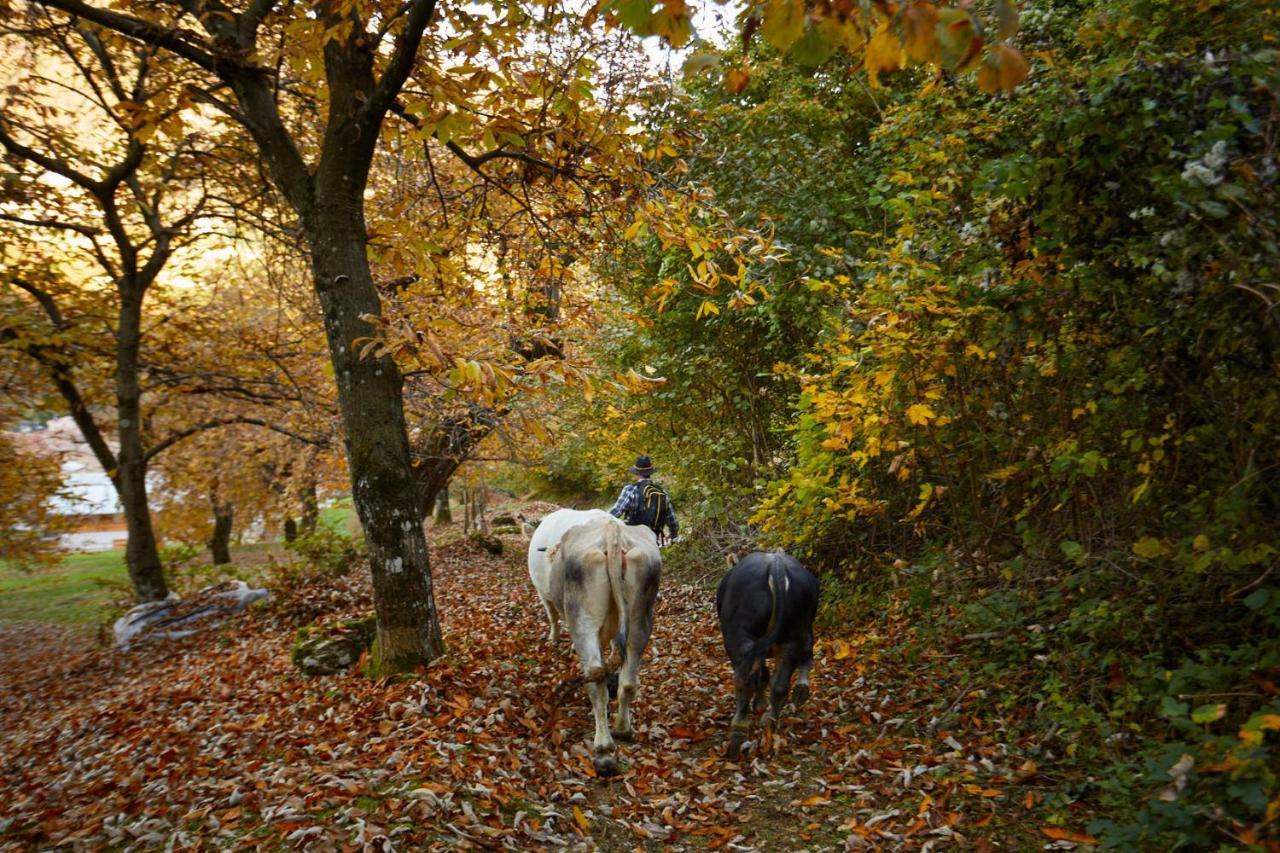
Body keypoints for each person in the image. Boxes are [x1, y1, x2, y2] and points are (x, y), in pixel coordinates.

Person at [609, 455, 679, 545]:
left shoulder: (630, 489)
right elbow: (672, 521)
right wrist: (673, 536)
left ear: (637, 473)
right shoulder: (662, 492)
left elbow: (616, 512)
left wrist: (600, 520)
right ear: (650, 473)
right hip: (653, 540)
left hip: (632, 539)